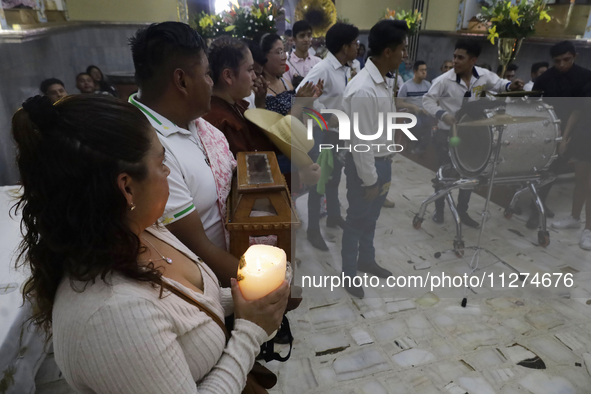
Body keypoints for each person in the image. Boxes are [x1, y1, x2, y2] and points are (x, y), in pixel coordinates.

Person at [11, 94, 289, 392]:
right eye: (161, 162)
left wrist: (244, 299)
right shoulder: (112, 315)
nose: (168, 171)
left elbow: (187, 307)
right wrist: (250, 332)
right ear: (127, 188)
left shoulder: (145, 229)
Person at [129, 22, 243, 287]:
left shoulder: (192, 120)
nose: (211, 83)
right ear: (181, 81)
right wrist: (270, 284)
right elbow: (198, 252)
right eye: (206, 74)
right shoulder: (149, 148)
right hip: (211, 287)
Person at [340, 19, 409, 298]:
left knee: (372, 218)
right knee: (356, 220)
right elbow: (360, 143)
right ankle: (348, 273)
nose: (405, 55)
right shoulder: (363, 89)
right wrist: (370, 180)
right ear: (388, 52)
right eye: (402, 49)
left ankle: (366, 260)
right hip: (366, 168)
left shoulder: (382, 81)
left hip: (383, 162)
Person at [423, 39, 524, 228]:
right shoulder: (444, 80)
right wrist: (442, 114)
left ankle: (462, 211)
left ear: (473, 60)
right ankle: (439, 208)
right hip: (447, 134)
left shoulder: (483, 76)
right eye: (454, 56)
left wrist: (512, 86)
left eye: (460, 57)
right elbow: (427, 100)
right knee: (444, 173)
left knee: (469, 173)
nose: (455, 61)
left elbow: (500, 84)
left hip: (471, 135)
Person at [296, 22, 359, 250]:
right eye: (354, 43)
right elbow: (300, 93)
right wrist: (325, 114)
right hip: (320, 132)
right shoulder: (324, 68)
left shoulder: (345, 67)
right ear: (344, 46)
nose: (357, 47)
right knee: (318, 180)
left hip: (336, 132)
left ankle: (333, 215)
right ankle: (313, 229)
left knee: (334, 176)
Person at [530, 41, 591, 229]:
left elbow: (580, 109)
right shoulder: (544, 79)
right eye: (557, 61)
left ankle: (578, 219)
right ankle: (536, 209)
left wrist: (567, 137)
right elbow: (534, 106)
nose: (562, 65)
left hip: (579, 132)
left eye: (567, 60)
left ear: (575, 57)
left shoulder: (586, 76)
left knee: (578, 178)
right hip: (550, 130)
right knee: (546, 172)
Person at [552, 82, 591, 250]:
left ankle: (589, 230)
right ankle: (575, 218)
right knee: (581, 181)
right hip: (585, 136)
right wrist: (565, 137)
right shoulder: (587, 86)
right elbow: (577, 111)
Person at [261, 33, 321, 117]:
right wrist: (299, 103)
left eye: (284, 51)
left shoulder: (286, 83)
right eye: (279, 52)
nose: (284, 57)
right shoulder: (259, 91)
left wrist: (309, 101)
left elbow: (305, 121)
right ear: (264, 56)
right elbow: (279, 128)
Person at [398, 60, 433, 154]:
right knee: (418, 124)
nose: (424, 72)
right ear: (415, 72)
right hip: (411, 113)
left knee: (431, 124)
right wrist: (412, 106)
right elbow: (398, 103)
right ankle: (413, 143)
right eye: (421, 70)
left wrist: (427, 107)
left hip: (424, 112)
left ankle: (420, 146)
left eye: (425, 70)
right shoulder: (406, 86)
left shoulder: (428, 85)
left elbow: (431, 100)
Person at [284, 20, 321, 87]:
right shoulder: (287, 64)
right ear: (294, 39)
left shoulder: (318, 62)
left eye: (309, 36)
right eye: (302, 36)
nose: (306, 39)